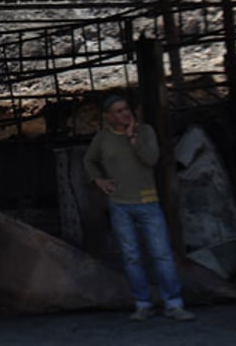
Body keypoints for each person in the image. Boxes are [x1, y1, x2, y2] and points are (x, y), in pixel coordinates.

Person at [84, 94, 196, 322]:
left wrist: (132, 137)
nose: (125, 113)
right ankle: (142, 303)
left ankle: (173, 304)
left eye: (126, 109)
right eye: (118, 111)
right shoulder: (102, 139)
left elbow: (151, 159)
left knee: (161, 255)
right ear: (108, 117)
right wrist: (99, 180)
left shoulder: (145, 132)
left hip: (148, 202)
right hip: (120, 205)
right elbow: (89, 160)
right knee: (132, 257)